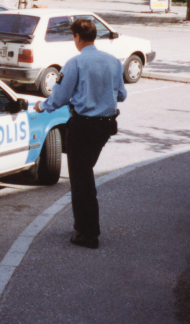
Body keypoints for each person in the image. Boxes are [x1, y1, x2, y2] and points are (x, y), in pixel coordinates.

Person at [34, 18, 126, 249]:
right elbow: (122, 95)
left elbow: (60, 97)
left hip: (83, 126)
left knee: (81, 180)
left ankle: (88, 233)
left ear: (77, 37)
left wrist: (41, 107)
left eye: (73, 37)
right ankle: (85, 226)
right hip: (105, 126)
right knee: (85, 173)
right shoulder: (113, 61)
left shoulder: (75, 63)